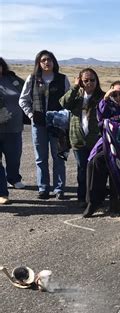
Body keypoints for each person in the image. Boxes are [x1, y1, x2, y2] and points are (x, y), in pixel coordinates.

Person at [83, 80, 120, 218]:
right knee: (91, 162)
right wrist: (105, 99)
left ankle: (95, 200)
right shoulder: (114, 106)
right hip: (111, 144)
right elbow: (101, 116)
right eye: (114, 95)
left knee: (98, 160)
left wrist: (110, 123)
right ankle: (92, 199)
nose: (117, 97)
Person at [19, 50, 70, 200]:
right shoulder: (33, 78)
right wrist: (31, 115)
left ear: (54, 62)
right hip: (38, 124)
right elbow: (23, 100)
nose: (47, 62)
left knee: (59, 157)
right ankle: (43, 188)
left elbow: (69, 101)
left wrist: (64, 116)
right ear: (38, 63)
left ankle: (59, 189)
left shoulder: (62, 79)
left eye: (49, 59)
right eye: (43, 60)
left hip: (57, 125)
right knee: (41, 158)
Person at [60, 68, 104, 207]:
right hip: (78, 139)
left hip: (95, 139)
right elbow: (63, 103)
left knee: (97, 170)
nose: (89, 83)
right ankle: (82, 198)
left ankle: (96, 197)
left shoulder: (102, 97)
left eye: (92, 80)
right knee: (82, 170)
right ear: (80, 81)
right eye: (85, 80)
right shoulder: (76, 96)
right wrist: (75, 87)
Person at [0, 58, 26, 204]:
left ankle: (14, 178)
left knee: (14, 157)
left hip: (14, 127)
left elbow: (27, 93)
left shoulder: (13, 79)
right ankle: (2, 192)